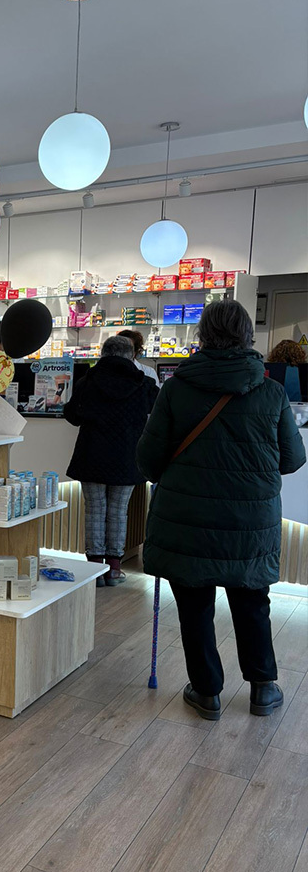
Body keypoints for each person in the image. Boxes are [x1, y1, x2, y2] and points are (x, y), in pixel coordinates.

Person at [137, 300, 305, 720]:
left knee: (194, 608)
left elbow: (148, 460)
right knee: (252, 603)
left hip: (186, 520)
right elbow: (292, 458)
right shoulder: (271, 391)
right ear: (248, 336)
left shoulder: (176, 387)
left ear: (202, 336)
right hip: (250, 521)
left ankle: (208, 692)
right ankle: (263, 688)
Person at [63, 335, 159, 586]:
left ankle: (95, 571)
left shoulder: (87, 381)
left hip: (92, 455)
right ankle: (114, 569)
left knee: (95, 510)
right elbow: (159, 416)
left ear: (103, 354)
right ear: (131, 356)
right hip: (127, 457)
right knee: (118, 512)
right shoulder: (144, 383)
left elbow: (72, 416)